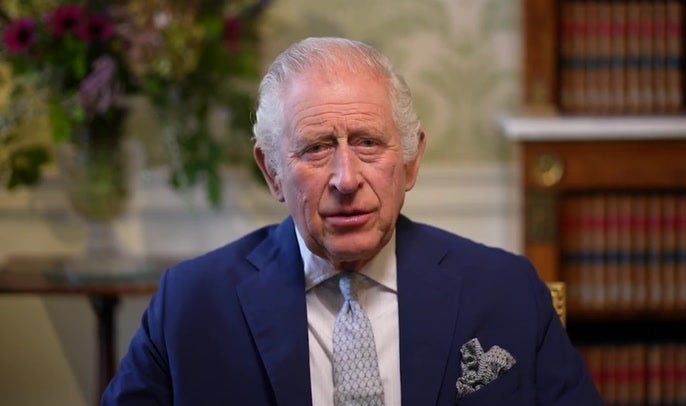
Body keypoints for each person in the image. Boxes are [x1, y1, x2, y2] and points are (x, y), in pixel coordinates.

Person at [103, 37, 603, 405]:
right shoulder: (190, 305)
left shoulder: (505, 291)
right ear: (272, 172)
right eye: (316, 148)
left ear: (410, 162)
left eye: (368, 143)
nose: (346, 179)